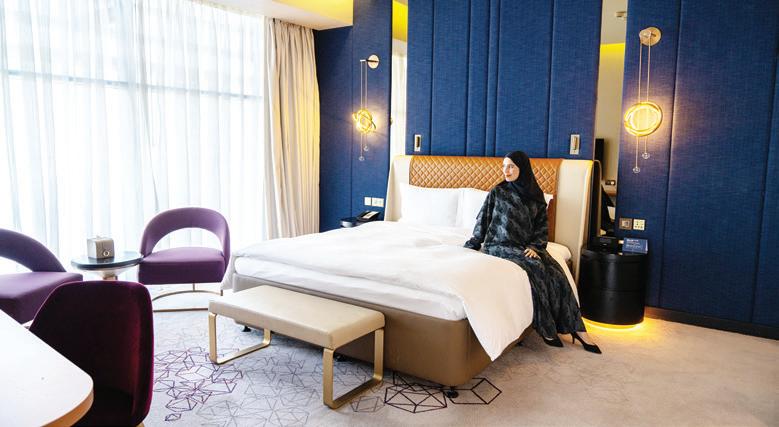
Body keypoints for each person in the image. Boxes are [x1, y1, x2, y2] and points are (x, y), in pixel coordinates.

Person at [464, 151, 601, 354]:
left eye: (511, 166)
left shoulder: (535, 196)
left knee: (556, 272)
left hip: (525, 246)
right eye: (504, 166)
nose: (506, 171)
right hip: (499, 245)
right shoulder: (498, 192)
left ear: (523, 169)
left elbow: (541, 229)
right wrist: (474, 243)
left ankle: (578, 329)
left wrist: (536, 247)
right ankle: (546, 327)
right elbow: (483, 221)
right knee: (536, 268)